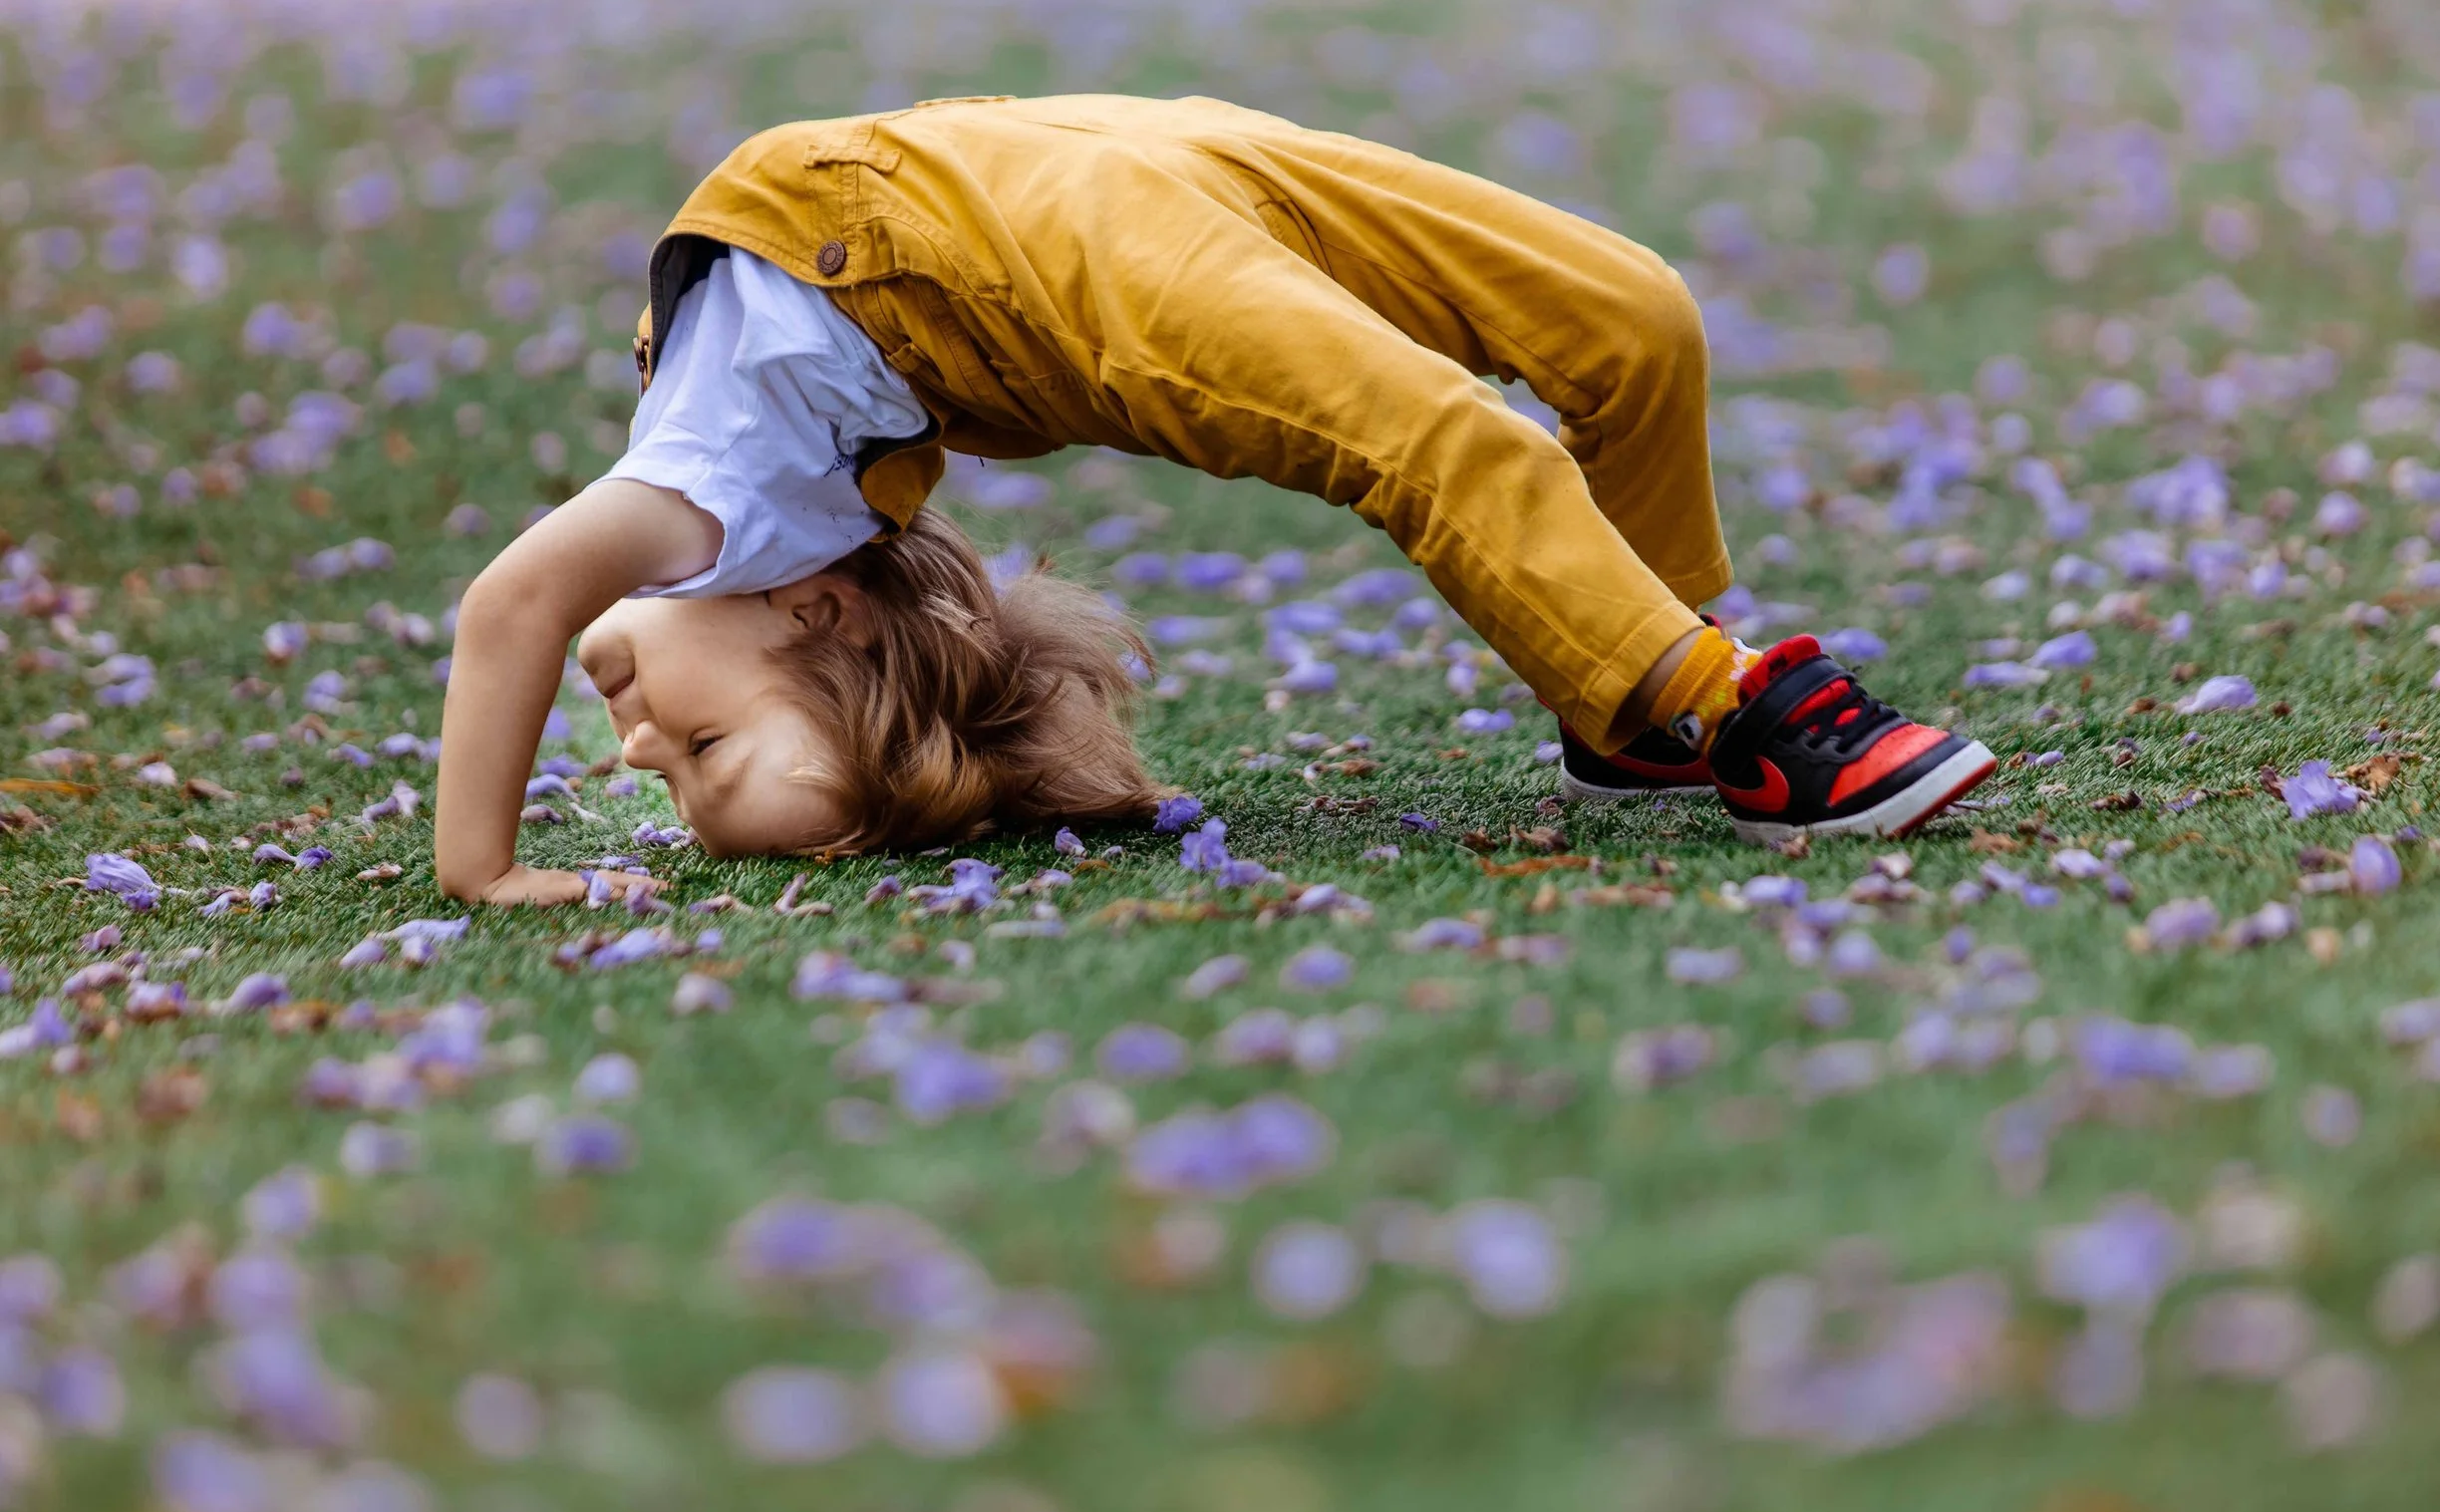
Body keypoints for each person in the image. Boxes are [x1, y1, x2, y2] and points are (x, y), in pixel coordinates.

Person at [434, 94, 1993, 905]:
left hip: (966, 195)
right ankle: (1716, 706)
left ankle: (1634, 705)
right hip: (1041, 246)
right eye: (692, 750)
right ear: (822, 608)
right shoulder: (790, 538)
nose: (636, 739)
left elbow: (509, 606)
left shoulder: (690, 519)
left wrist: (483, 868)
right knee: (1510, 386)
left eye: (693, 756)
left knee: (1589, 342)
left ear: (818, 609)